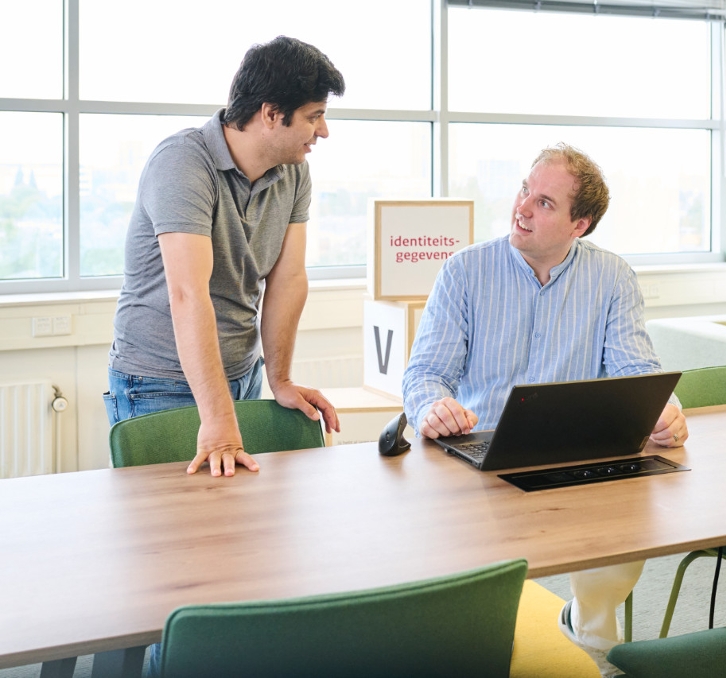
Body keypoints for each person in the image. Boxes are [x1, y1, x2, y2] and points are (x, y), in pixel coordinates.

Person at [402, 143, 688, 677]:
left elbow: (635, 370)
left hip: (577, 451)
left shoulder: (613, 277)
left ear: (580, 225)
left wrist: (663, 408)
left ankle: (591, 636)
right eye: (524, 191)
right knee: (470, 609)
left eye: (545, 203)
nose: (523, 207)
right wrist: (432, 407)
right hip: (480, 451)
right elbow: (424, 375)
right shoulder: (465, 271)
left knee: (632, 512)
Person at [104, 36, 343, 478]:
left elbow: (288, 279)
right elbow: (187, 293)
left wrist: (281, 379)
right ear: (271, 114)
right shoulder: (182, 163)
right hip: (159, 381)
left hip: (241, 374)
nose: (323, 131)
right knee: (175, 539)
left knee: (236, 528)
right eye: (315, 117)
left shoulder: (294, 173)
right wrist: (217, 417)